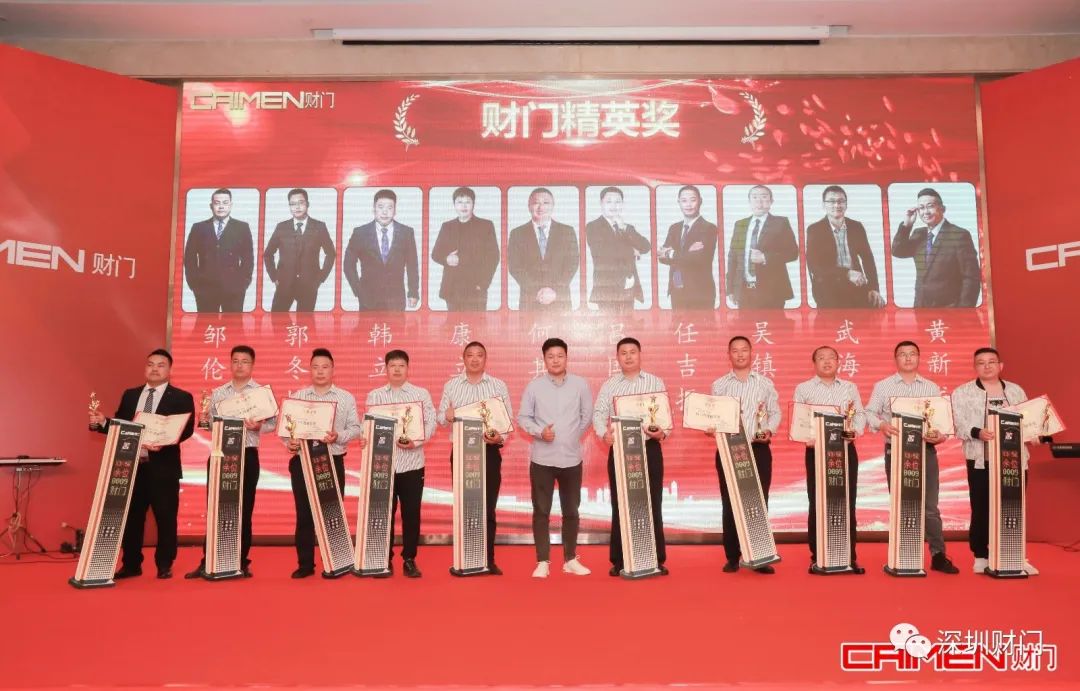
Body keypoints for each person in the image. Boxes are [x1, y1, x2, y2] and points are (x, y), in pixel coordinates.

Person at [88, 349, 195, 579]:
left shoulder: (181, 397)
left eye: (161, 365)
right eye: (150, 364)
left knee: (165, 518)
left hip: (163, 468)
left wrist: (162, 442)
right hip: (132, 467)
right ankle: (131, 564)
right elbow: (121, 426)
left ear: (170, 370)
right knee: (131, 518)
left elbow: (186, 429)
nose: (155, 369)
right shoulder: (130, 395)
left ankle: (164, 564)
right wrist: (103, 422)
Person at [864, 341, 959, 574]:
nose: (907, 358)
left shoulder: (931, 387)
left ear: (919, 358)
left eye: (912, 354)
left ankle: (938, 555)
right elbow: (869, 413)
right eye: (902, 354)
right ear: (895, 359)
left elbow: (939, 423)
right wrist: (882, 425)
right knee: (901, 504)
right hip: (896, 452)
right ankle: (903, 555)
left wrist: (939, 435)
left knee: (930, 507)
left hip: (925, 451)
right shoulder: (883, 386)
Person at [184, 345, 275, 579]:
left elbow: (273, 424)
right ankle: (208, 561)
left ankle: (241, 562)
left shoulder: (261, 393)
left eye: (244, 361)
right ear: (230, 363)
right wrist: (205, 420)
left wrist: (259, 426)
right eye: (235, 361)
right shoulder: (218, 393)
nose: (239, 365)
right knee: (215, 508)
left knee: (244, 509)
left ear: (252, 365)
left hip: (248, 454)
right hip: (221, 454)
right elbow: (211, 425)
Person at [951, 347, 1038, 575]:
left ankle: (1015, 555)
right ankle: (981, 554)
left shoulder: (1016, 390)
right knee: (981, 506)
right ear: (975, 367)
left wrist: (1035, 433)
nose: (987, 366)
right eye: (981, 362)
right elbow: (957, 424)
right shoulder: (962, 392)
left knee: (1013, 506)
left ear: (1000, 366)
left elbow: (1029, 421)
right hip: (981, 459)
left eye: (991, 361)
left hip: (1013, 460)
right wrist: (977, 432)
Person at [592, 337, 669, 576]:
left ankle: (655, 559)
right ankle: (620, 560)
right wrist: (603, 433)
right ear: (617, 358)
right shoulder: (610, 385)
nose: (628, 356)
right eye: (623, 353)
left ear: (640, 354)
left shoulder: (655, 382)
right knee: (621, 503)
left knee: (653, 502)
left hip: (649, 448)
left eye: (632, 352)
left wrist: (661, 432)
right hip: (621, 450)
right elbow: (599, 413)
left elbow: (664, 417)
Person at [283, 348, 362, 579]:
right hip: (303, 463)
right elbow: (286, 430)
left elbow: (356, 428)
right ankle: (305, 564)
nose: (320, 371)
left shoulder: (345, 397)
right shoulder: (298, 397)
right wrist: (290, 442)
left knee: (332, 513)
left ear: (333, 370)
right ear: (310, 369)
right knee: (304, 514)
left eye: (325, 367)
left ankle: (338, 562)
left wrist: (338, 436)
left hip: (333, 460)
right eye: (316, 367)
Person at [518, 338, 593, 577]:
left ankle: (570, 559)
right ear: (544, 359)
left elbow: (587, 416)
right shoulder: (534, 387)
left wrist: (572, 436)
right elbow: (523, 418)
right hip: (542, 459)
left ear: (566, 358)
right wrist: (540, 432)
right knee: (541, 511)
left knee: (571, 511)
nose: (556, 360)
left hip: (572, 459)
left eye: (560, 356)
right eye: (550, 356)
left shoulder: (580, 384)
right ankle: (543, 561)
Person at [438, 341, 513, 574]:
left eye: (479, 355)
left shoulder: (498, 386)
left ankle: (488, 559)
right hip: (462, 452)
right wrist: (447, 416)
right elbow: (440, 417)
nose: (474, 359)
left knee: (488, 507)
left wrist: (499, 437)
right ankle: (464, 559)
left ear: (485, 359)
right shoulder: (451, 385)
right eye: (470, 355)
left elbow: (507, 421)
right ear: (463, 359)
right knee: (465, 505)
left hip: (489, 451)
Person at [709, 336, 781, 573]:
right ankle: (732, 555)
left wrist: (769, 430)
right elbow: (713, 415)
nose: (740, 354)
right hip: (729, 449)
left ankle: (760, 556)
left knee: (759, 501)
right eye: (735, 351)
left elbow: (775, 413)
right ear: (728, 355)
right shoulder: (720, 385)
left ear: (752, 354)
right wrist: (711, 427)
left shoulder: (764, 383)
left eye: (744, 350)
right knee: (730, 501)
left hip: (758, 448)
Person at [793, 345, 866, 574]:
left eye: (831, 358)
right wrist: (806, 437)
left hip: (844, 450)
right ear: (814, 363)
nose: (826, 362)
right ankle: (818, 556)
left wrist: (855, 431)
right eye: (821, 358)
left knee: (847, 502)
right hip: (815, 451)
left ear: (838, 362)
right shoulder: (803, 388)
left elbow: (859, 414)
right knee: (817, 502)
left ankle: (849, 556)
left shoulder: (849, 387)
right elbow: (799, 419)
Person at [365, 349, 437, 578]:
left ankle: (409, 559)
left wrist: (416, 441)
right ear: (386, 369)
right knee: (383, 513)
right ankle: (383, 558)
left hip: (412, 464)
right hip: (383, 465)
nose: (397, 369)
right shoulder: (375, 396)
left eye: (401, 365)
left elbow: (431, 423)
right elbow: (367, 426)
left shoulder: (420, 394)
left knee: (411, 514)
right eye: (392, 366)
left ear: (408, 368)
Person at [891, 187, 981, 307]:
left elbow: (971, 278)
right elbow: (898, 251)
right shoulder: (919, 234)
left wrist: (963, 312)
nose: (926, 212)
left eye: (930, 206)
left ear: (942, 209)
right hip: (921, 308)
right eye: (921, 208)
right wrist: (907, 225)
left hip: (950, 309)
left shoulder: (959, 235)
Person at [805, 185, 885, 309]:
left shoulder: (856, 227)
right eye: (831, 201)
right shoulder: (815, 230)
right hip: (828, 291)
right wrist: (846, 274)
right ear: (823, 205)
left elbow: (868, 259)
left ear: (846, 204)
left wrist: (874, 288)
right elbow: (814, 266)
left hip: (857, 287)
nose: (837, 205)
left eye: (841, 201)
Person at [342, 189, 419, 311]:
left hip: (396, 300)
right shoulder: (360, 233)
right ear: (374, 209)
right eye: (380, 207)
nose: (385, 212)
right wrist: (358, 290)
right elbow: (348, 264)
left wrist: (413, 292)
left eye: (390, 207)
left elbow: (412, 265)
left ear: (395, 210)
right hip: (368, 300)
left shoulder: (406, 233)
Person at [725, 185, 799, 309]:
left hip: (772, 291)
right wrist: (730, 289)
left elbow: (793, 253)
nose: (759, 202)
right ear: (749, 201)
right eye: (755, 197)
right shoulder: (740, 224)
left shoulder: (780, 223)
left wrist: (765, 258)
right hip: (744, 291)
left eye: (764, 197)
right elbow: (732, 258)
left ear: (771, 201)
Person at [263, 188, 336, 312]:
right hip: (284, 283)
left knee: (305, 322)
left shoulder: (319, 227)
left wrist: (320, 278)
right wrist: (274, 277)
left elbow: (331, 253)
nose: (297, 207)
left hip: (309, 284)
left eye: (301, 203)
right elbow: (268, 254)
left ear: (307, 204)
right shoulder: (282, 227)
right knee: (277, 320)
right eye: (293, 204)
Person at [507, 188, 580, 312]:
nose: (541, 207)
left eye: (546, 203)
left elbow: (572, 264)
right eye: (536, 203)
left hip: (560, 300)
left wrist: (554, 291)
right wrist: (536, 291)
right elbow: (515, 266)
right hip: (530, 300)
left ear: (553, 206)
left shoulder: (567, 231)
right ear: (529, 206)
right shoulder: (517, 233)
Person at [183, 188, 254, 313]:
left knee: (233, 324)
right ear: (211, 206)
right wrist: (194, 284)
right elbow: (189, 258)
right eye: (217, 203)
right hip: (205, 288)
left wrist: (243, 284)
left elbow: (248, 258)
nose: (221, 207)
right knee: (206, 324)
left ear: (231, 205)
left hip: (233, 289)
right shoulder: (198, 228)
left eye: (225, 203)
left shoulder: (242, 227)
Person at [430, 187, 500, 311]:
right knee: (454, 322)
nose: (464, 206)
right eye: (459, 202)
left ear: (473, 204)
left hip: (475, 289)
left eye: (467, 202)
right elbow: (435, 254)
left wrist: (483, 284)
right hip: (452, 288)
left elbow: (493, 256)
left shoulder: (485, 226)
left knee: (476, 322)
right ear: (454, 205)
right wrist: (446, 259)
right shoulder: (447, 227)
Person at [585, 187, 652, 313]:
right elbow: (603, 253)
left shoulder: (627, 227)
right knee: (610, 323)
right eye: (609, 201)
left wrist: (624, 227)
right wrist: (632, 251)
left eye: (617, 202)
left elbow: (646, 247)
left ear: (622, 204)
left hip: (629, 285)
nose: (613, 206)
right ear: (601, 203)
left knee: (628, 322)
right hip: (607, 287)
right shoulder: (592, 226)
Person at [658, 185, 717, 310]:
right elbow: (662, 257)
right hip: (677, 287)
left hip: (699, 292)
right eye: (684, 201)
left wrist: (672, 254)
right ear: (678, 202)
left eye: (693, 200)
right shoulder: (674, 228)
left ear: (700, 201)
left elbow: (698, 259)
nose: (688, 205)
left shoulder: (709, 228)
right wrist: (686, 253)